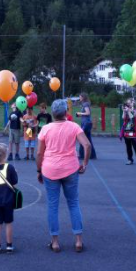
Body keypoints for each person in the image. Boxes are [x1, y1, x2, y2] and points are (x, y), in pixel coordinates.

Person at [37, 99, 91, 253]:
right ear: (66, 112)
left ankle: (55, 242)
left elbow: (40, 152)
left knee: (53, 206)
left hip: (50, 170)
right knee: (73, 203)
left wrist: (39, 170)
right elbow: (86, 145)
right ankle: (78, 241)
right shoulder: (73, 126)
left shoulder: (46, 129)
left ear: (53, 113)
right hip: (70, 169)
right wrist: (84, 163)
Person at [121, 98, 136, 165]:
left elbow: (132, 117)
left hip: (133, 132)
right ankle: (130, 159)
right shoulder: (126, 110)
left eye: (130, 102)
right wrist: (124, 111)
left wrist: (129, 111)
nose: (128, 104)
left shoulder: (135, 110)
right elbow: (123, 118)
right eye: (127, 103)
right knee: (128, 146)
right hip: (127, 131)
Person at [76, 93, 96, 160]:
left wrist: (80, 113)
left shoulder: (85, 104)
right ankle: (92, 155)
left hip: (86, 124)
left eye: (80, 97)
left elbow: (88, 113)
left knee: (82, 138)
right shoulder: (85, 104)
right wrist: (80, 115)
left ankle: (82, 155)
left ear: (83, 97)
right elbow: (86, 114)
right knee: (88, 139)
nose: (79, 98)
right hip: (86, 123)